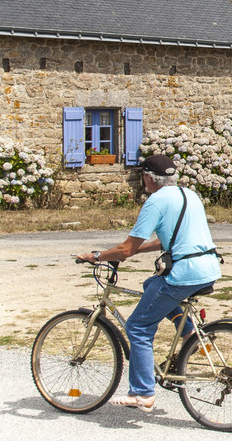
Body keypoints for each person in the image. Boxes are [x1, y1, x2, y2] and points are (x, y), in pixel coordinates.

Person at [77, 153, 220, 409]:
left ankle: (142, 392)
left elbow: (126, 248)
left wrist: (96, 256)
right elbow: (165, 241)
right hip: (208, 268)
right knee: (151, 285)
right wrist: (135, 251)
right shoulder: (189, 195)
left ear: (148, 178)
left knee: (138, 327)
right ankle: (189, 333)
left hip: (184, 274)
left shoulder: (156, 201)